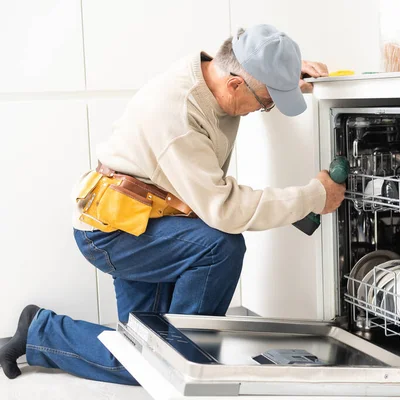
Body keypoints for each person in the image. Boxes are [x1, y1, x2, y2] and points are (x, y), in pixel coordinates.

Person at [0, 24, 345, 385]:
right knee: (220, 249)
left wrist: (283, 77)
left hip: (149, 218)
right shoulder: (180, 116)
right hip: (115, 232)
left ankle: (40, 331)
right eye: (266, 100)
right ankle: (184, 354)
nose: (265, 108)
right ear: (235, 85)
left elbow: (251, 53)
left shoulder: (215, 73)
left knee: (144, 359)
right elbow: (225, 210)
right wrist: (314, 195)